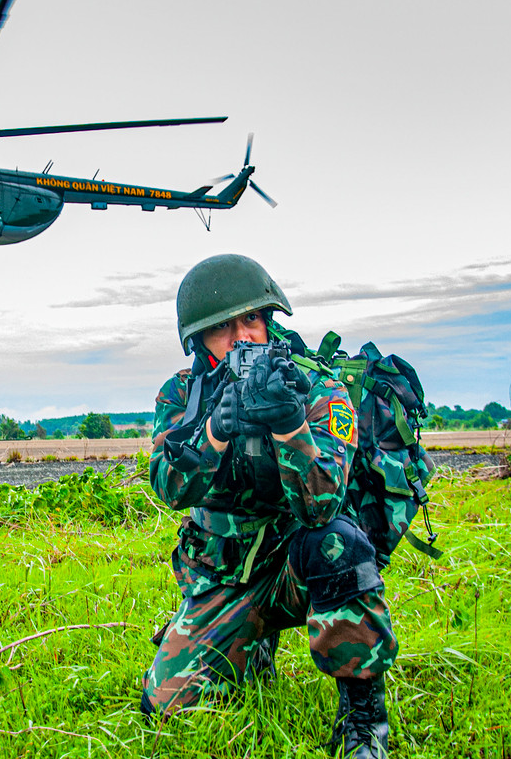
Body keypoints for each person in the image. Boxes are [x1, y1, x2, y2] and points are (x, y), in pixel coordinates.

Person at [143, 254, 396, 758]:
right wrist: (215, 429)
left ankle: (364, 722)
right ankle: (248, 644)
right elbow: (170, 489)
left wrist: (289, 425)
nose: (242, 337)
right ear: (198, 340)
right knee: (166, 709)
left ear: (270, 320)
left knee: (336, 544)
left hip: (296, 572)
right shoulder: (181, 393)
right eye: (222, 327)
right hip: (226, 578)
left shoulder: (317, 386)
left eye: (252, 320)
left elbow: (322, 506)